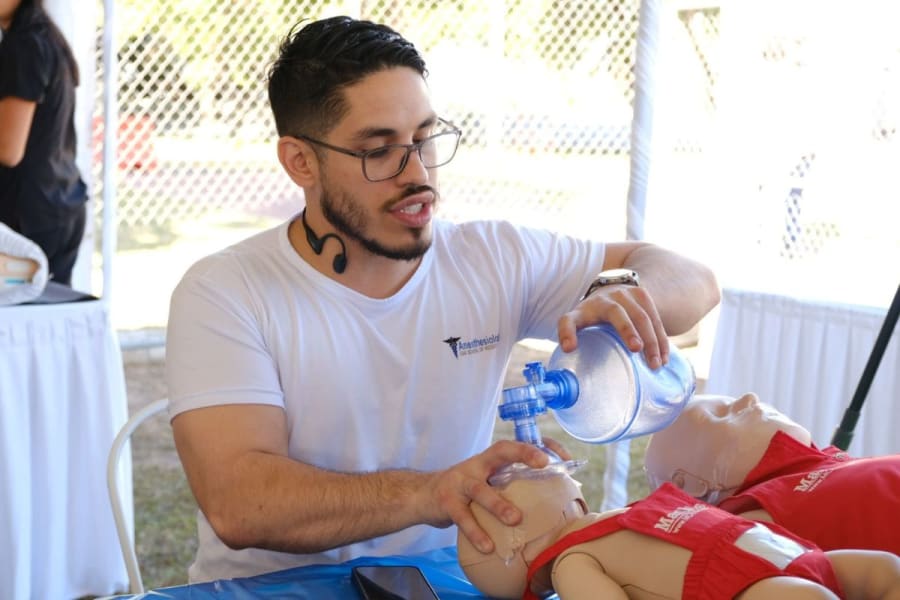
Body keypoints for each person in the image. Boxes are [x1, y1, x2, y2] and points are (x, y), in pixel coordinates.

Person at [165, 15, 721, 582]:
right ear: (300, 162)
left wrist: (622, 291)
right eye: (379, 150)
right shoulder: (225, 291)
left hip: (442, 581)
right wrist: (432, 493)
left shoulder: (491, 257)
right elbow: (241, 502)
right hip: (269, 591)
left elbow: (695, 282)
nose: (418, 173)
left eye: (426, 139)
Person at [457, 468, 900, 599]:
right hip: (776, 561)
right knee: (884, 571)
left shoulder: (578, 557)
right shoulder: (590, 546)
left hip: (757, 580)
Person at [643, 393, 900, 555]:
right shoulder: (753, 527)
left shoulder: (814, 465)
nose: (749, 398)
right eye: (723, 413)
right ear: (689, 484)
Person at [0, 0, 88, 287]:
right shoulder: (44, 36)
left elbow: (8, 150)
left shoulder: (24, 45)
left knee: (27, 313)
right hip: (59, 203)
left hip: (31, 219)